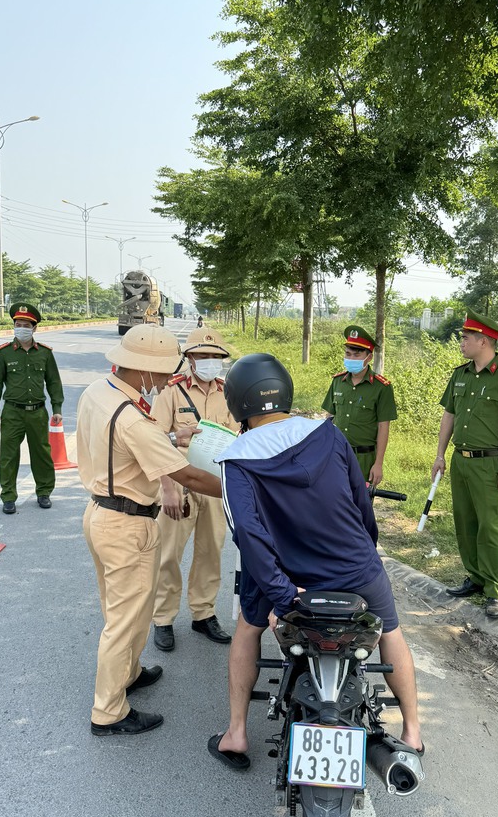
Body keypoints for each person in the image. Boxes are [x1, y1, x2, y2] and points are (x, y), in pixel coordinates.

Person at [208, 353, 423, 771]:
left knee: (248, 631)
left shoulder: (235, 460)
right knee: (390, 632)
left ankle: (236, 733)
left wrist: (283, 594)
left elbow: (248, 536)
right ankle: (412, 731)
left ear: (237, 404)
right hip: (354, 569)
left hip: (284, 579)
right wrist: (364, 553)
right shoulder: (328, 434)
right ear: (285, 390)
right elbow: (361, 502)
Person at [76, 325, 223, 737]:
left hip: (100, 514)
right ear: (143, 371)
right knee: (125, 620)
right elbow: (189, 476)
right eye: (158, 374)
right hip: (128, 524)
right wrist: (241, 488)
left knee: (119, 608)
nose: (162, 381)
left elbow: (127, 440)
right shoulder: (134, 420)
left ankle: (130, 671)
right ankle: (108, 712)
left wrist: (172, 434)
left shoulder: (100, 393)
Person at [431, 310, 498, 619]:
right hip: (461, 461)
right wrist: (440, 455)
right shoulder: (460, 374)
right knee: (465, 523)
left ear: (483, 340)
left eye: (465, 338)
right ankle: (475, 577)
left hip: (491, 464)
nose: (461, 343)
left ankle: (495, 590)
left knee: (491, 528)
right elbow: (449, 415)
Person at [150, 326, 239, 651]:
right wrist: (168, 488)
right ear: (189, 358)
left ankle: (203, 613)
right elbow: (154, 442)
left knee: (210, 551)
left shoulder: (229, 391)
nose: (209, 362)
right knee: (169, 555)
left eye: (215, 357)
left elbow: (236, 438)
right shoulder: (171, 392)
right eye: (203, 356)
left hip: (216, 485)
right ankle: (163, 618)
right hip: (180, 484)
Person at [0, 303, 64, 514]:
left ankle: (44, 492)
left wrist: (57, 408)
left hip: (38, 412)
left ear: (34, 328)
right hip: (12, 412)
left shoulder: (45, 354)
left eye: (25, 325)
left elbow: (54, 382)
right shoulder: (4, 353)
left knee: (41, 454)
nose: (21, 328)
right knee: (9, 456)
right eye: (17, 324)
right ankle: (9, 496)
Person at [322, 325, 397, 486]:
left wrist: (378, 464)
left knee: (360, 508)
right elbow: (329, 418)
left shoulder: (381, 387)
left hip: (364, 459)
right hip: (336, 455)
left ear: (368, 357)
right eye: (348, 354)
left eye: (357, 355)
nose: (351, 359)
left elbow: (384, 427)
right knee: (333, 506)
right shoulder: (337, 382)